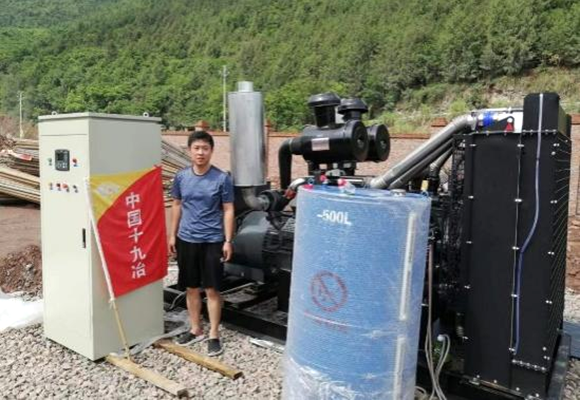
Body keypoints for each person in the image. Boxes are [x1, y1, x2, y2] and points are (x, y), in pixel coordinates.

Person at [169, 130, 234, 357]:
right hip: (187, 239)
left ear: (211, 151)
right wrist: (172, 235)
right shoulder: (181, 177)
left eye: (205, 148)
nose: (200, 153)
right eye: (196, 148)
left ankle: (214, 334)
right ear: (189, 150)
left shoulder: (222, 179)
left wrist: (228, 240)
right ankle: (195, 328)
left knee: (212, 289)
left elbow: (228, 209)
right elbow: (177, 205)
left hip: (212, 240)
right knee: (191, 287)